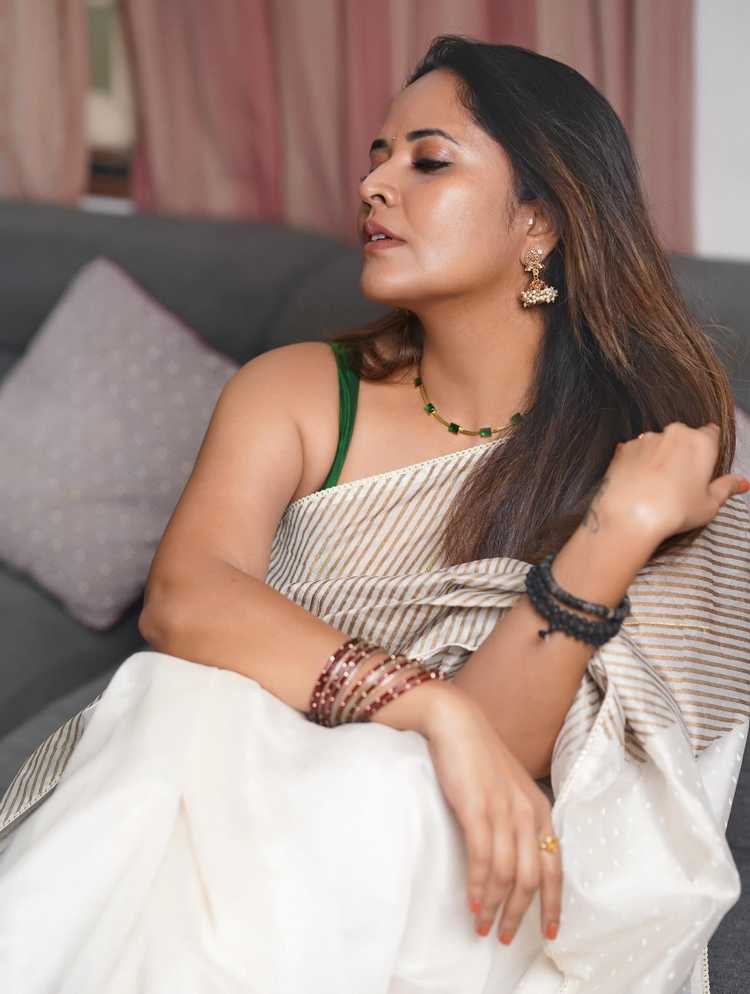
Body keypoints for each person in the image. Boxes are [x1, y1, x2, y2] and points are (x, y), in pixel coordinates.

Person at [1, 34, 749, 994]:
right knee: (181, 697)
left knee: (381, 785)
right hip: (235, 792)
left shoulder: (650, 447)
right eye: (376, 157)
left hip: (429, 855)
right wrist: (430, 705)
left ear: (540, 222)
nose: (373, 186)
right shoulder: (302, 390)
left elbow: (505, 752)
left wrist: (617, 529)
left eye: (428, 162)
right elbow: (185, 601)